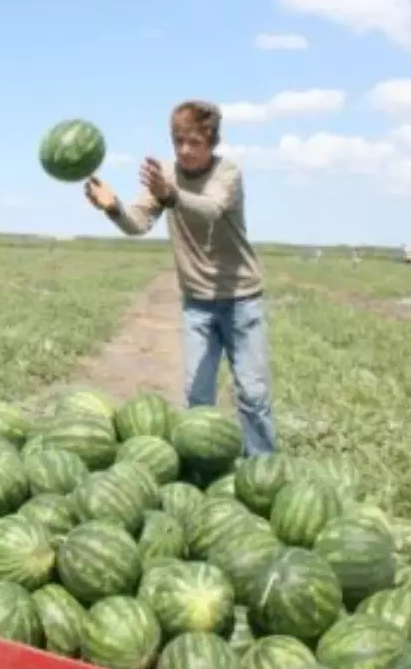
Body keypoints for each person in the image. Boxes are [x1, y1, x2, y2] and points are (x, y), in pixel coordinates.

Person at [83, 100, 276, 456]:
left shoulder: (226, 174)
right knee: (197, 398)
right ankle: (202, 472)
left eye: (194, 143)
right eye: (178, 141)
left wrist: (170, 195)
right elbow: (138, 223)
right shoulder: (166, 177)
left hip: (241, 300)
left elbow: (211, 209)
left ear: (212, 142)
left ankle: (262, 467)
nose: (184, 150)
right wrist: (112, 206)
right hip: (197, 305)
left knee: (253, 394)